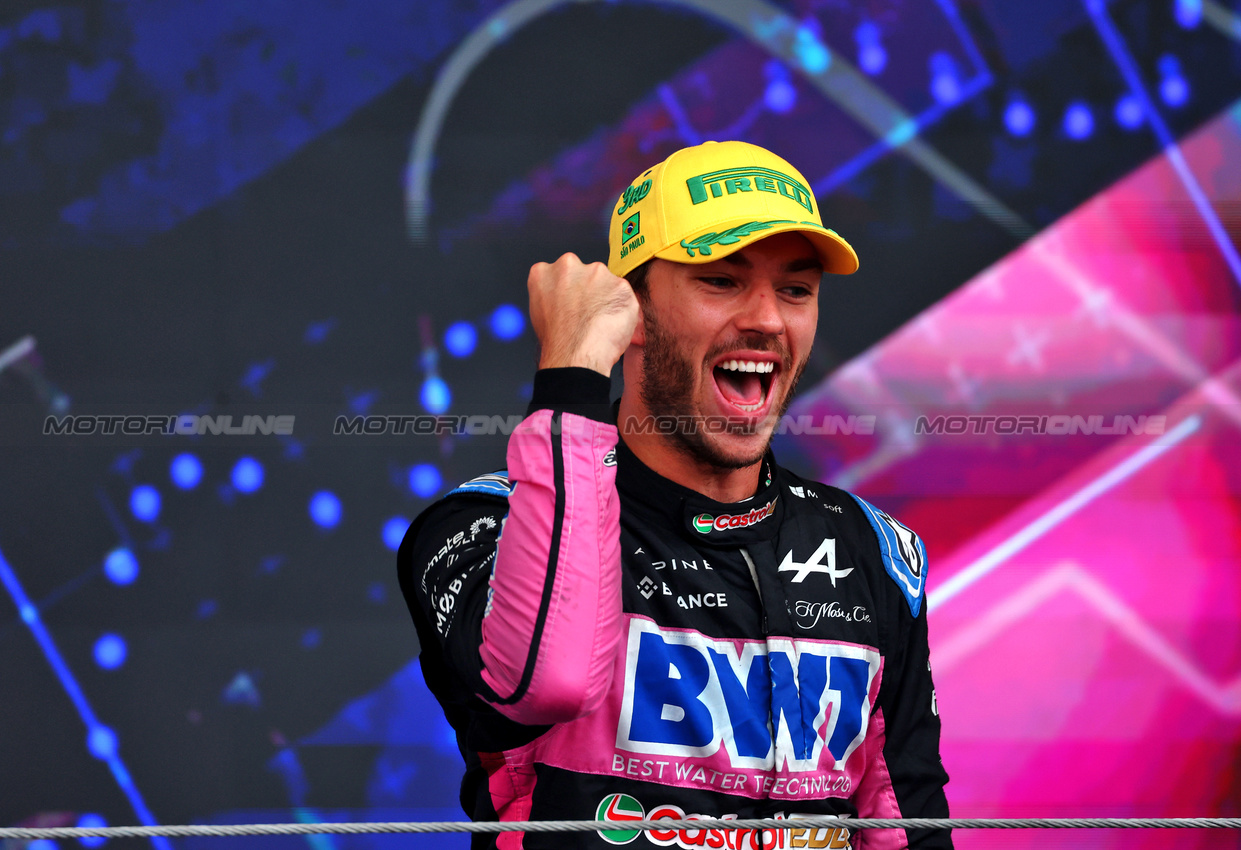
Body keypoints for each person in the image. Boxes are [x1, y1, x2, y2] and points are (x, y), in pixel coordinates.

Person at [398, 140, 951, 849]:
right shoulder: (483, 524)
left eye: (795, 289)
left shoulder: (870, 547)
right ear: (630, 312)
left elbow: (905, 815)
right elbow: (549, 681)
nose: (768, 320)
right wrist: (571, 376)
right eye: (720, 280)